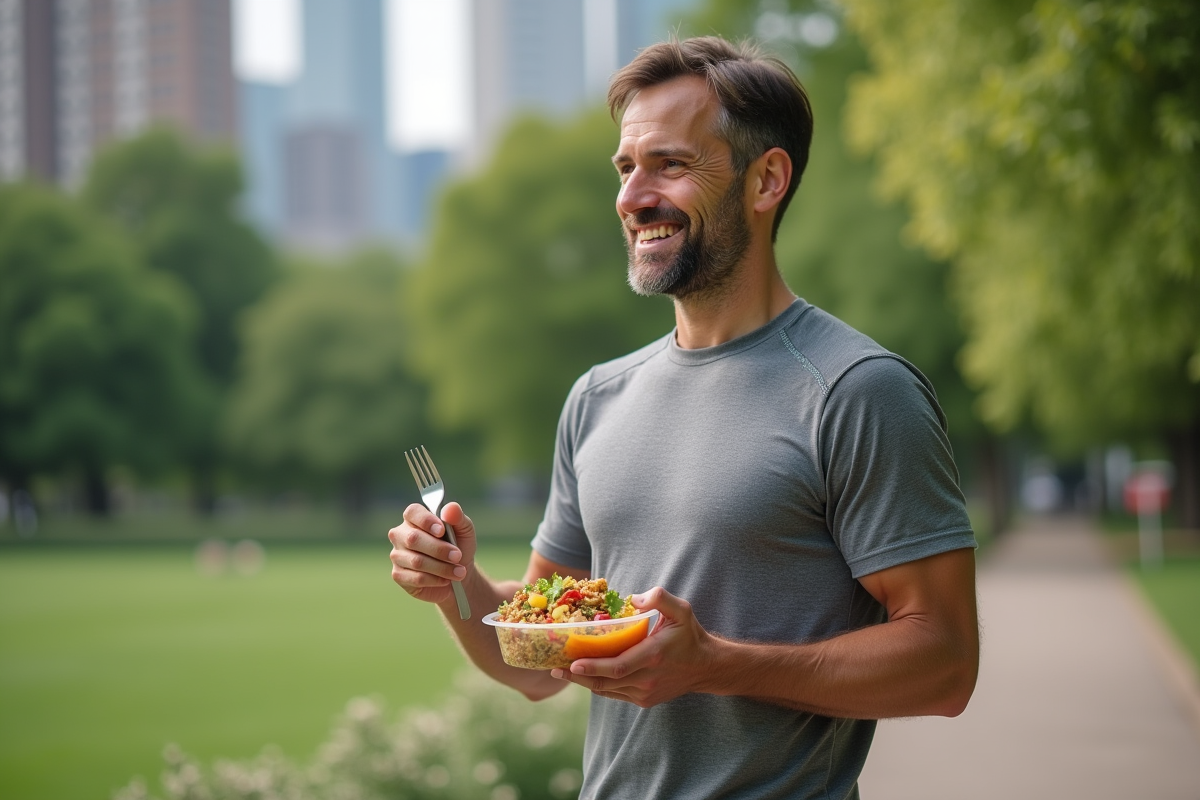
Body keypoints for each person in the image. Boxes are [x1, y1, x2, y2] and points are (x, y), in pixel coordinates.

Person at [390, 35, 979, 800]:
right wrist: (458, 583)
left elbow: (945, 666)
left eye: (670, 164)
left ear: (766, 180)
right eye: (626, 168)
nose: (633, 198)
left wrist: (714, 663)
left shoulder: (857, 391)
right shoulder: (597, 398)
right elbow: (533, 665)